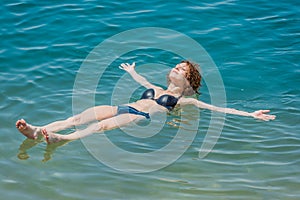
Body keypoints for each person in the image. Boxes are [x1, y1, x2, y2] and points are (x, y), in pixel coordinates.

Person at [16, 61, 276, 143]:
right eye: (176, 66)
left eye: (182, 69)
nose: (176, 68)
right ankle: (38, 131)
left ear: (189, 81)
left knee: (100, 127)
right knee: (77, 118)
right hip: (125, 106)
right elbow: (142, 81)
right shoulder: (156, 88)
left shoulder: (184, 101)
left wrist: (250, 114)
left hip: (142, 117)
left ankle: (64, 140)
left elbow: (218, 108)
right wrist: (131, 72)